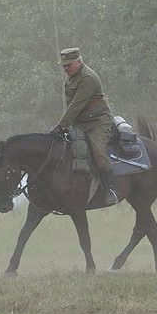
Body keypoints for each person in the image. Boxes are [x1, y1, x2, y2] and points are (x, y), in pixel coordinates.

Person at [50, 47, 118, 206]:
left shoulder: (88, 78)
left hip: (98, 122)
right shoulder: (73, 77)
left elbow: (75, 106)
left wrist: (60, 126)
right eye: (64, 66)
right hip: (80, 121)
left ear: (79, 61)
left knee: (98, 153)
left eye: (69, 64)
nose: (66, 68)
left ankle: (110, 189)